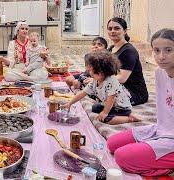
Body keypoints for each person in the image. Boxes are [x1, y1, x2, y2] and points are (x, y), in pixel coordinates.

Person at [106, 28, 174, 176]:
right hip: (161, 128)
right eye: (156, 51)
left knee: (122, 157)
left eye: (168, 50)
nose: (161, 56)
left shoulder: (128, 51)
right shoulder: (160, 72)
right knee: (112, 144)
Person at [64, 51, 141, 125]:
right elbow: (82, 93)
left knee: (106, 119)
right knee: (95, 108)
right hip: (109, 104)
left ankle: (129, 118)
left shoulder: (111, 81)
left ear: (100, 73)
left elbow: (111, 99)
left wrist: (105, 112)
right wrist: (70, 103)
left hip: (120, 107)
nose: (89, 72)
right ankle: (123, 114)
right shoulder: (95, 81)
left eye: (91, 70)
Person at [107, 17, 148, 105]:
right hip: (116, 86)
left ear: (125, 31)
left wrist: (99, 80)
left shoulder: (128, 51)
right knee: (85, 81)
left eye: (117, 28)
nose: (112, 31)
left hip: (134, 93)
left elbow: (121, 78)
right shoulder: (111, 49)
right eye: (110, 29)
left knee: (97, 105)